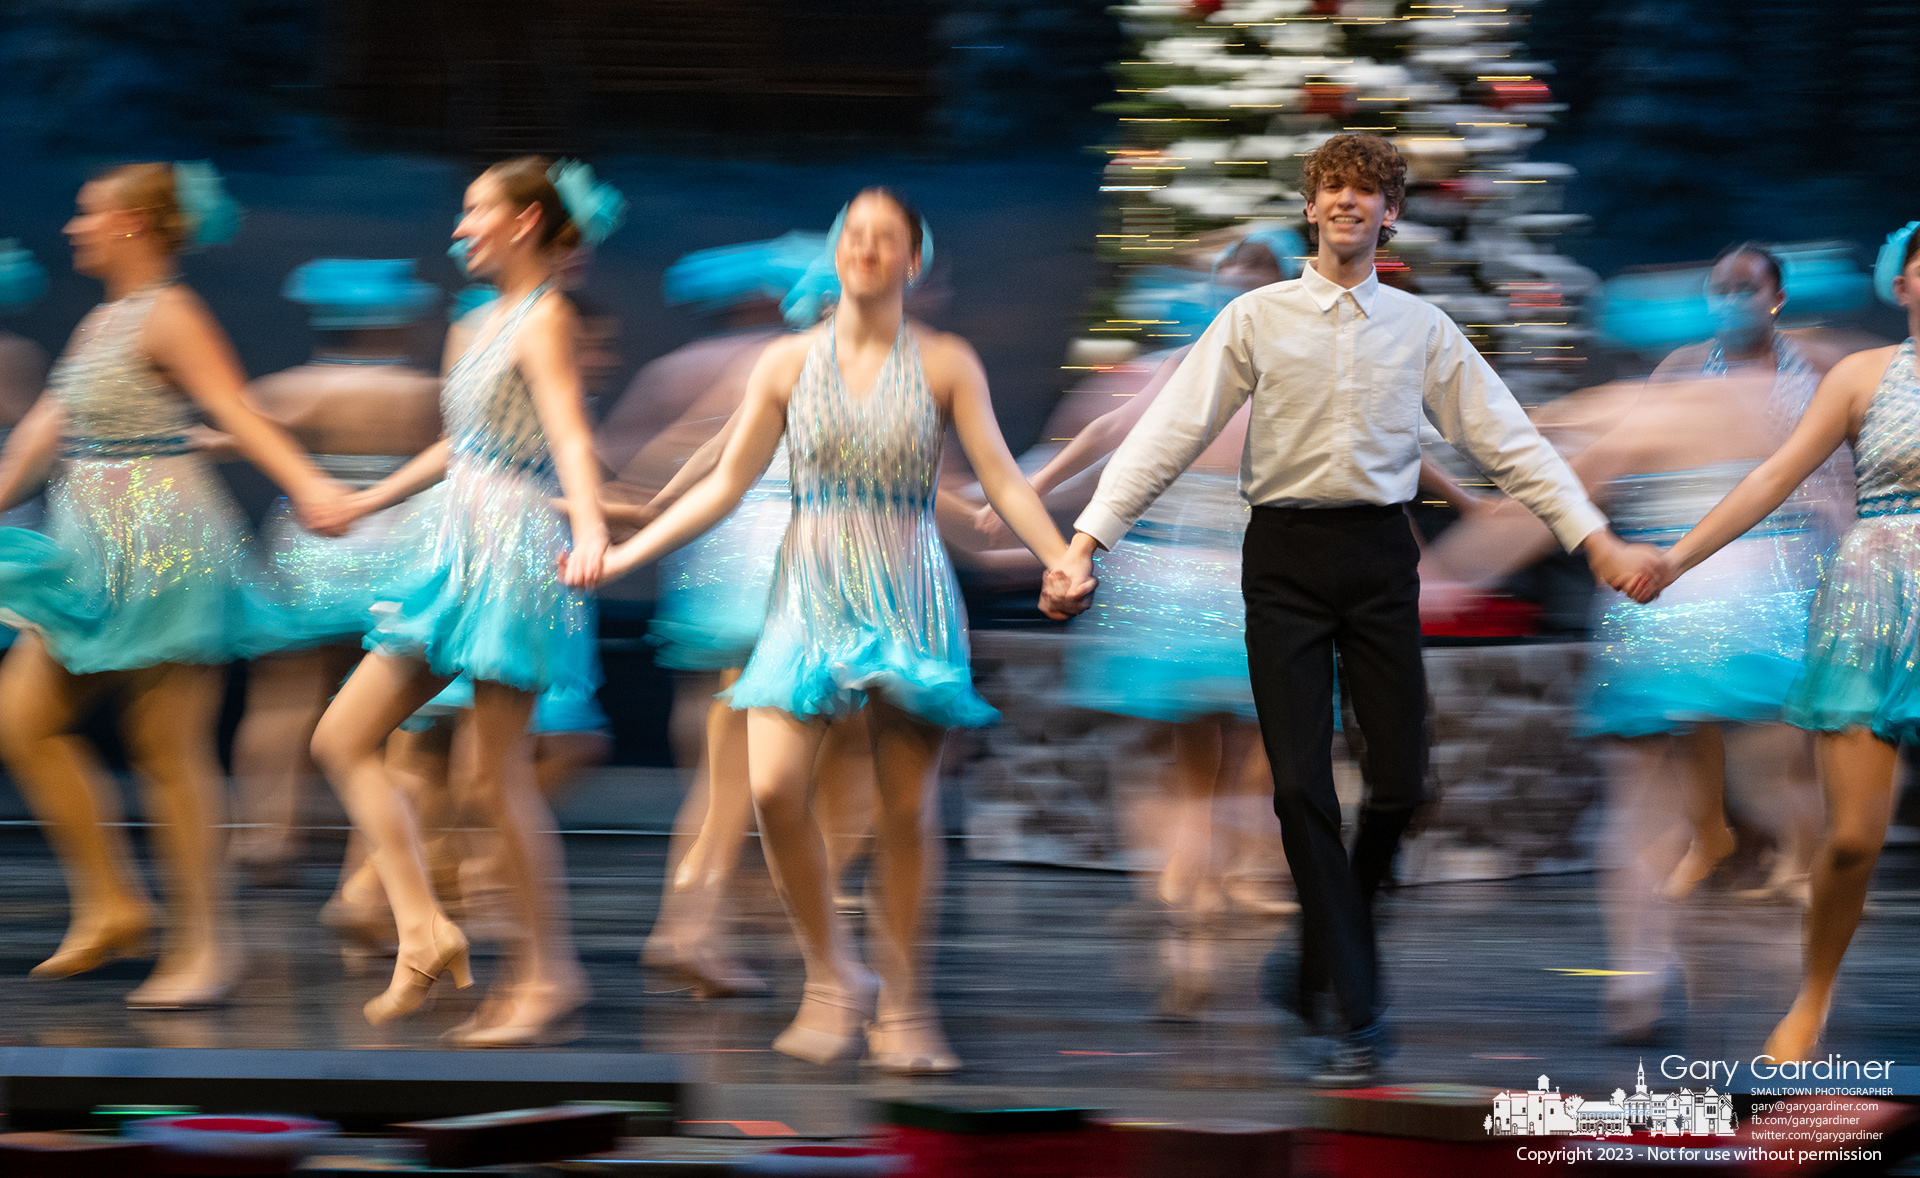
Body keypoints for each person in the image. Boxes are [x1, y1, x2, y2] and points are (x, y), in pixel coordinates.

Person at [1052, 134, 1656, 1085]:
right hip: (1284, 557)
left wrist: (1597, 540)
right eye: (1332, 187)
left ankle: (1306, 965)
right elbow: (1167, 434)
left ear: (1390, 214)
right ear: (1310, 206)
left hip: (1377, 559)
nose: (1346, 202)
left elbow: (1514, 447)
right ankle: (1358, 1013)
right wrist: (1087, 542)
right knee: (1298, 788)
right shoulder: (1254, 317)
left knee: (1404, 785)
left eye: (1365, 191)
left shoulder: (1421, 328)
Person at [601, 188, 1090, 1073]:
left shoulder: (945, 361)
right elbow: (725, 481)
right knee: (777, 787)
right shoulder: (787, 363)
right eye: (852, 235)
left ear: (914, 260)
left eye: (884, 238)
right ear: (836, 255)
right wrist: (635, 543)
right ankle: (833, 973)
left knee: (906, 811)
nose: (865, 249)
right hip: (809, 588)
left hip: (907, 588)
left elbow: (998, 481)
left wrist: (1061, 555)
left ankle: (906, 1007)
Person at [0, 163, 350, 1008]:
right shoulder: (102, 322)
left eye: (88, 215)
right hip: (91, 543)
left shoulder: (171, 313)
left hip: (162, 542)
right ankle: (114, 901)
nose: (74, 228)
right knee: (22, 724)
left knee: (167, 750)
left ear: (131, 224)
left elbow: (233, 409)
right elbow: (39, 440)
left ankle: (207, 948)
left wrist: (309, 486)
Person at [308, 156, 619, 1044]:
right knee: (342, 738)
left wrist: (592, 528)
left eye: (475, 210)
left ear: (524, 221)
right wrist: (363, 502)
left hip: (513, 543)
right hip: (450, 540)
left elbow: (567, 431)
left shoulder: (546, 320)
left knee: (491, 777)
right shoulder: (470, 325)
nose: (458, 227)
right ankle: (423, 928)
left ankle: (547, 975)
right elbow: (455, 448)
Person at [1622, 220, 1920, 1063]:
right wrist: (1676, 558)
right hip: (1877, 601)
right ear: (1901, 283)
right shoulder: (1864, 376)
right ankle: (1812, 997)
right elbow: (1773, 474)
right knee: (1854, 838)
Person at [602, 232, 877, 999]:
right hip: (802, 567)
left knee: (726, 766)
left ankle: (697, 919)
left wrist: (643, 510)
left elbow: (692, 457)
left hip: (731, 563)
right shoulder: (859, 371)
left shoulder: (752, 367)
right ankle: (753, 912)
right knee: (847, 758)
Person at [221, 258, 444, 886]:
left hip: (313, 542)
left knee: (282, 697)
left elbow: (221, 435)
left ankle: (267, 831)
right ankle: (376, 852)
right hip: (394, 543)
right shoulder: (424, 393)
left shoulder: (291, 388)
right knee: (396, 708)